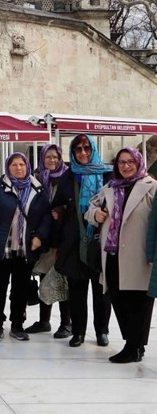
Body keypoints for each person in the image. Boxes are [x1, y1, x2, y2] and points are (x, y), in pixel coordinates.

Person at [88, 147, 155, 363]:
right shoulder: (110, 186)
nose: (125, 166)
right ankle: (134, 344)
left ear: (138, 162)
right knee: (118, 298)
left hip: (140, 254)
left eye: (130, 162)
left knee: (139, 302)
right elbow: (91, 208)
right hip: (113, 253)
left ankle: (133, 346)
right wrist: (94, 214)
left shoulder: (151, 187)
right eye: (121, 162)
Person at [0, 153, 51, 342]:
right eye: (14, 165)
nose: (18, 168)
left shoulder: (38, 189)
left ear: (27, 166)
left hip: (25, 248)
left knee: (20, 290)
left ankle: (17, 324)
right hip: (1, 248)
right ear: (7, 167)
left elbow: (46, 216)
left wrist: (39, 237)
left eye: (21, 164)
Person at [52, 134, 112, 348]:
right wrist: (58, 212)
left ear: (93, 149)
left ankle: (102, 331)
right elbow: (57, 203)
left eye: (87, 148)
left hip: (101, 242)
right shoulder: (68, 177)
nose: (83, 152)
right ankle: (78, 332)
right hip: (75, 243)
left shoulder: (108, 175)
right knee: (77, 291)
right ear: (73, 153)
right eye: (78, 149)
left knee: (101, 291)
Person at [27, 144, 73, 338]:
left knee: (63, 279)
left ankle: (66, 323)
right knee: (44, 277)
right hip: (43, 237)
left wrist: (61, 211)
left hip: (63, 237)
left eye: (55, 157)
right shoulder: (38, 179)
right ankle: (44, 321)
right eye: (48, 157)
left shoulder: (68, 177)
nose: (52, 160)